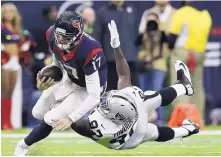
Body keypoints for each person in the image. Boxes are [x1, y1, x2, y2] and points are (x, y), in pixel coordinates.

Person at [70, 20, 199, 149]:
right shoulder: (117, 117)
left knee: (153, 132)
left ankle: (189, 129)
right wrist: (116, 47)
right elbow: (124, 76)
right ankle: (183, 87)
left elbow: (75, 123)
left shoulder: (99, 124)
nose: (105, 103)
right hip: (132, 129)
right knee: (147, 97)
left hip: (122, 142)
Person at [14, 11, 107, 155]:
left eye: (65, 37)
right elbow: (57, 62)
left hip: (87, 88)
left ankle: (22, 146)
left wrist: (71, 118)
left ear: (77, 36)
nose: (60, 39)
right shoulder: (52, 33)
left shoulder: (90, 50)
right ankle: (61, 108)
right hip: (69, 78)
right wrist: (46, 80)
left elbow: (94, 96)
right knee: (37, 112)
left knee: (50, 118)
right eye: (59, 35)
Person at [168, 1, 212, 120]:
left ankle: (183, 119)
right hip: (199, 53)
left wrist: (170, 48)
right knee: (197, 86)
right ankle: (198, 120)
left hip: (182, 52)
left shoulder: (181, 13)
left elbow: (172, 36)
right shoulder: (205, 15)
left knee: (181, 85)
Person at [92, 0, 139, 91]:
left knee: (134, 93)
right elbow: (97, 37)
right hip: (111, 61)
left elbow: (136, 34)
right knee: (111, 93)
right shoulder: (102, 12)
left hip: (130, 59)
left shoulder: (132, 10)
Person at [1, 3, 26, 129]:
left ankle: (8, 122)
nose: (8, 14)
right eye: (6, 12)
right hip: (4, 61)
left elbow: (22, 43)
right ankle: (3, 122)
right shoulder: (1, 27)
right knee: (4, 91)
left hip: (15, 61)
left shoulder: (17, 29)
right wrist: (4, 48)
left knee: (11, 91)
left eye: (11, 12)